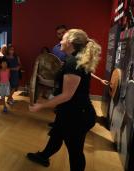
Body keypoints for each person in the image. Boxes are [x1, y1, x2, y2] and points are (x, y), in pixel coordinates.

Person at [27, 29, 101, 171]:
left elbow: (67, 95)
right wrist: (43, 81)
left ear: (71, 42)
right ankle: (43, 156)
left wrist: (41, 106)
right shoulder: (74, 59)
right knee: (57, 135)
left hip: (78, 116)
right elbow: (66, 85)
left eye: (63, 38)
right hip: (70, 111)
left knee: (75, 152)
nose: (60, 41)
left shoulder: (73, 63)